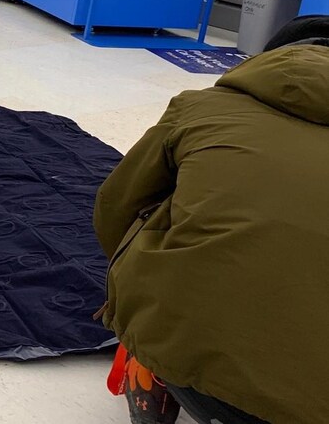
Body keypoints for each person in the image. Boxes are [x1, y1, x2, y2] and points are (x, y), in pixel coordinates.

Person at [93, 27, 329, 424]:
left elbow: (116, 206)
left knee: (169, 208)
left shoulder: (201, 107)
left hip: (197, 380)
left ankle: (150, 376)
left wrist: (131, 294)